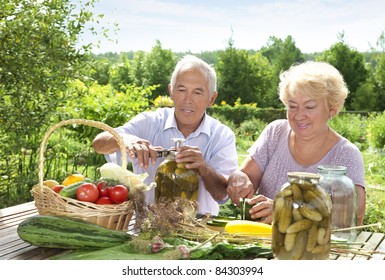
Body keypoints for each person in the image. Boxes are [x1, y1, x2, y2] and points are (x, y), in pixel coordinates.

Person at [92, 54, 238, 216]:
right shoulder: (150, 122)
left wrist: (203, 168)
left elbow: (223, 195)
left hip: (198, 233)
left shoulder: (222, 135)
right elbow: (98, 144)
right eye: (181, 90)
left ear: (211, 99)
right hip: (145, 227)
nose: (187, 100)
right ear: (171, 91)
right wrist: (126, 139)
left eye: (197, 92)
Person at [227, 61, 366, 225]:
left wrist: (286, 212)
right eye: (292, 106)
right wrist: (238, 179)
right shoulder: (276, 132)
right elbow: (246, 176)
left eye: (309, 106)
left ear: (332, 108)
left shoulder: (346, 154)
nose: (299, 115)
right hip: (262, 243)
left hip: (318, 249)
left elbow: (353, 215)